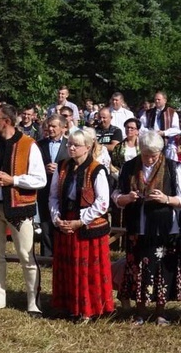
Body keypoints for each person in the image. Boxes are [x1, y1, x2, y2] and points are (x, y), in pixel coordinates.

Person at [0, 104, 47, 317]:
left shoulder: (28, 145)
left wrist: (13, 180)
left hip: (19, 208)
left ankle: (33, 300)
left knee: (25, 254)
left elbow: (40, 179)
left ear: (7, 121)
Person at [113, 131, 181, 326]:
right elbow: (117, 193)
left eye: (154, 155)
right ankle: (140, 312)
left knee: (162, 270)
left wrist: (166, 199)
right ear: (140, 151)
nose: (150, 159)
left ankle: (161, 312)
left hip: (165, 228)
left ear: (160, 151)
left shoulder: (172, 167)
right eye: (146, 155)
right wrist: (125, 199)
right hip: (138, 225)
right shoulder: (129, 167)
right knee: (138, 269)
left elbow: (180, 197)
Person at [49, 129, 114, 321]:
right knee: (66, 266)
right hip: (65, 221)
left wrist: (80, 221)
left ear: (87, 147)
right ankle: (67, 306)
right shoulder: (62, 167)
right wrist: (56, 218)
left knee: (86, 270)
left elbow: (103, 202)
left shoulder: (97, 169)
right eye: (69, 144)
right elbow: (53, 195)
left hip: (87, 225)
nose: (70, 148)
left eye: (75, 145)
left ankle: (88, 309)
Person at [36, 114, 69, 258]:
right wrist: (44, 168)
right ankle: (47, 255)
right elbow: (33, 165)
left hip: (63, 189)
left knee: (61, 221)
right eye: (49, 126)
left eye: (54, 126)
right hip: (45, 188)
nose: (50, 128)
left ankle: (62, 253)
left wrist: (60, 170)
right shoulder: (39, 144)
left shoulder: (69, 145)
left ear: (63, 128)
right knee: (45, 222)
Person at [139, 91, 180, 160]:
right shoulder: (148, 113)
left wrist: (164, 133)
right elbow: (140, 126)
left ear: (165, 100)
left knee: (167, 166)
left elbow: (177, 130)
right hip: (152, 143)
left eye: (159, 99)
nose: (156, 101)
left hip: (168, 145)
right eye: (155, 99)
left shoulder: (172, 113)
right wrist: (150, 132)